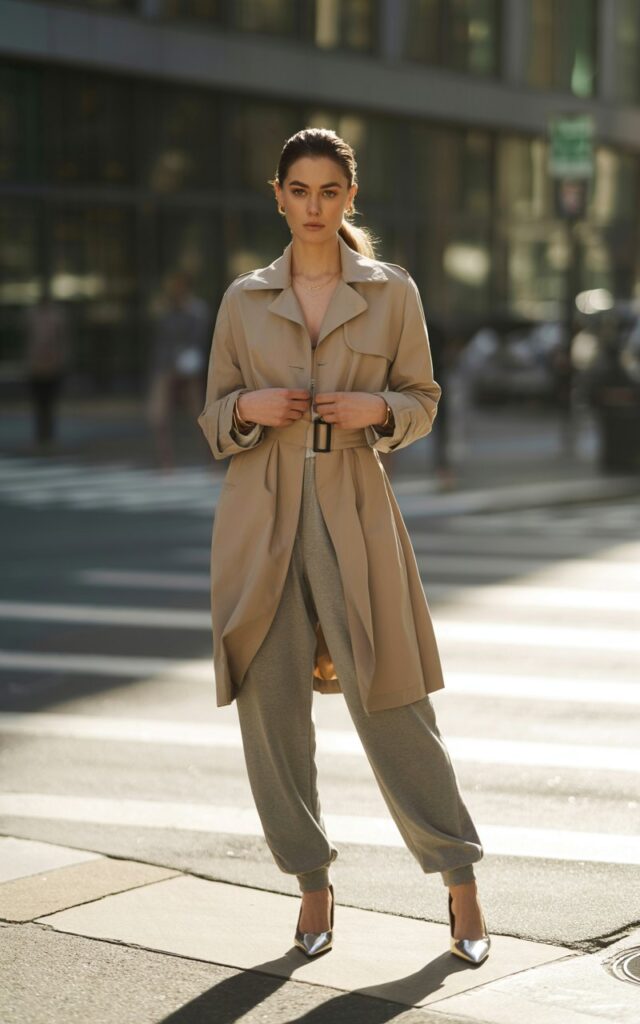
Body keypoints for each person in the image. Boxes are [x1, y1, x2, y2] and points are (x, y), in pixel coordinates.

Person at [197, 127, 490, 964]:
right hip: (261, 512)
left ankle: (461, 886)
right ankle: (313, 887)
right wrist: (247, 408)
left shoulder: (391, 291)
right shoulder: (243, 299)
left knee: (392, 698)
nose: (315, 205)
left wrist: (381, 414)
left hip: (356, 506)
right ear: (279, 195)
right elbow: (213, 418)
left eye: (331, 191)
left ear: (349, 198)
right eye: (300, 190)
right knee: (270, 704)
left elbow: (424, 399)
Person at [147, 270, 210, 470]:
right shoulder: (165, 308)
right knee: (159, 415)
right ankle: (166, 461)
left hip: (188, 368)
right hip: (165, 367)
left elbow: (198, 339)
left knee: (199, 414)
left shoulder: (197, 310)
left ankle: (211, 459)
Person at [24, 291, 70, 452]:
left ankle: (48, 435)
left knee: (48, 403)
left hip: (51, 365)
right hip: (38, 366)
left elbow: (60, 340)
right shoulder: (33, 316)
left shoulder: (56, 317)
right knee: (41, 403)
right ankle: (42, 435)